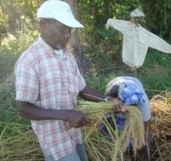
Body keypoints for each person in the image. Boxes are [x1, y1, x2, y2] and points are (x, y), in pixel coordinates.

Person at [14, 1, 124, 161]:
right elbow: (23, 108)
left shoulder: (67, 56)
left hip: (74, 132)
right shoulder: (29, 61)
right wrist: (66, 115)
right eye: (62, 28)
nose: (67, 34)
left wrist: (108, 101)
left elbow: (82, 89)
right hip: (54, 140)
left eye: (70, 29)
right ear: (43, 24)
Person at [105, 8, 171, 69]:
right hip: (127, 57)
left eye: (138, 18)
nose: (137, 19)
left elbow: (158, 41)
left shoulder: (145, 34)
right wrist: (109, 22)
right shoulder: (126, 26)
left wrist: (170, 49)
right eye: (136, 18)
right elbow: (114, 22)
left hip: (137, 61)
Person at [101, 76, 152, 161]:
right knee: (107, 131)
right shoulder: (111, 96)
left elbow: (146, 130)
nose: (126, 110)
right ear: (119, 100)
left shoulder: (142, 102)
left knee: (134, 139)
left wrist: (148, 157)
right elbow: (106, 119)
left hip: (134, 83)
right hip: (115, 95)